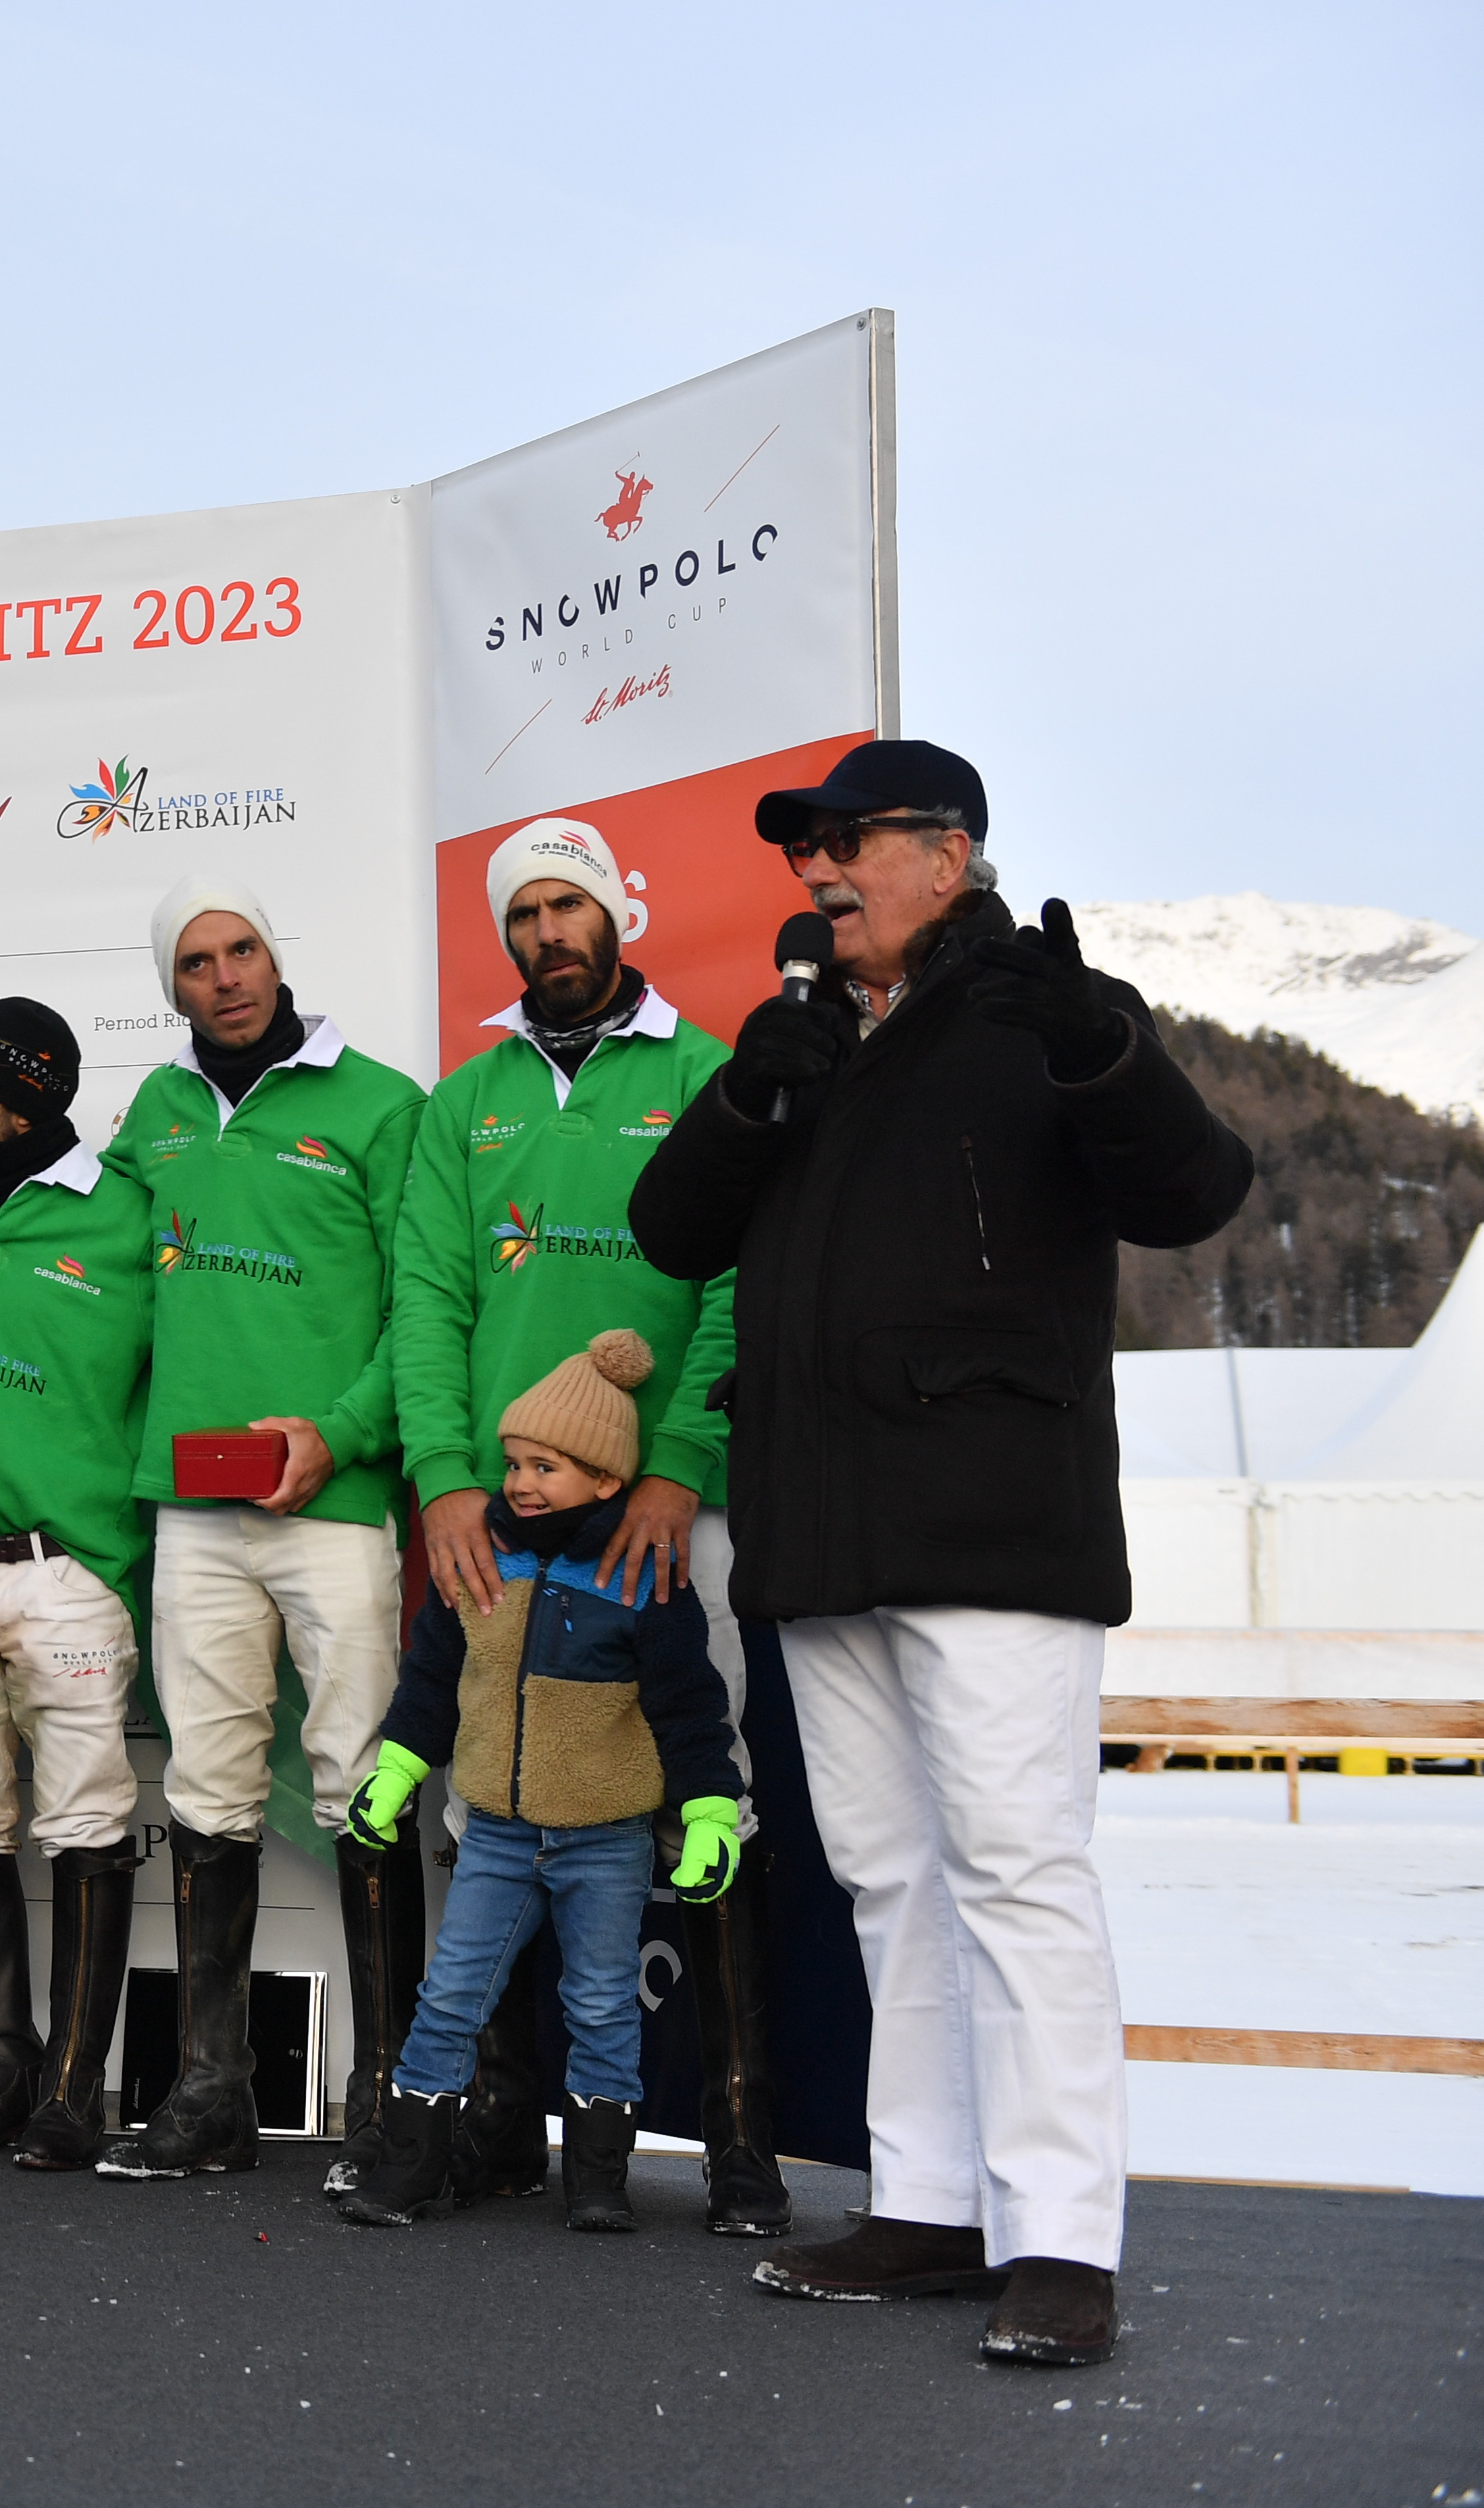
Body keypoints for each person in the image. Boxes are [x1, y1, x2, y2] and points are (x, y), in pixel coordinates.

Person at [631, 738, 1252, 2368]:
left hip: (990, 1520)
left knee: (1015, 1872)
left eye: (848, 842)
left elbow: (1195, 1190)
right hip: (821, 1529)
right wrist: (755, 1080)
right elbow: (667, 1229)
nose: (818, 870)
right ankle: (924, 2199)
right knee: (885, 1876)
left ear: (948, 851)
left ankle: (1058, 2234)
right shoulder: (802, 1040)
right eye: (804, 849)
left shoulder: (1036, 1008)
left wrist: (1102, 1047)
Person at [388, 816, 785, 2230]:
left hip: (673, 1515)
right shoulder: (465, 1099)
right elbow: (429, 1300)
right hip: (502, 1522)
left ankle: (742, 2133)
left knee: (701, 1797)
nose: (552, 932)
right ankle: (495, 2118)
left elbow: (747, 1280)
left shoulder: (706, 1073)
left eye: (573, 904)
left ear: (621, 909)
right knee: (488, 1791)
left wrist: (678, 1463)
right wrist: (444, 1479)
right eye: (527, 913)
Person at [97, 878, 427, 2180]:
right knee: (203, 1787)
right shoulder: (155, 1112)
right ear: (169, 985)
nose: (224, 976)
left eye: (242, 951)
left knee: (363, 1780)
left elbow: (426, 1306)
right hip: (195, 1510)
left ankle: (392, 2086)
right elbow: (43, 1200)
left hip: (330, 1505)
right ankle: (207, 2088)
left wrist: (335, 1437)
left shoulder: (377, 1102)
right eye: (195, 960)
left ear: (276, 960)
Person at [334, 1331, 746, 2233]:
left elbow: (688, 1708)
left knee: (600, 1999)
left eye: (546, 1466)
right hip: (496, 1834)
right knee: (450, 1993)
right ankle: (410, 2164)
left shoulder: (645, 1578)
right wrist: (396, 1773)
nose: (519, 1483)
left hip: (604, 1838)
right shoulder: (483, 1561)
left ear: (605, 1480)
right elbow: (433, 1681)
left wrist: (712, 1813)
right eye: (514, 1462)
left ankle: (598, 2178)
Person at [0, 1001, 155, 2170]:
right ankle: (0, 2065)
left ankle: (71, 2087)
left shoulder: (123, 1213)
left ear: (26, 1095)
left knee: (88, 1825)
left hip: (70, 1575)